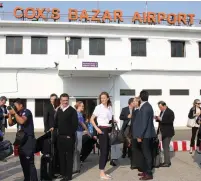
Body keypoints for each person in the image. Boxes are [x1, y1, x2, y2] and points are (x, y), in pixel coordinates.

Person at [8, 98, 38, 181]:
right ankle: (27, 178)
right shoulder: (17, 113)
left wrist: (14, 113)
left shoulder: (26, 111)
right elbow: (10, 124)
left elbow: (21, 121)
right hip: (21, 140)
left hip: (28, 140)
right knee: (23, 162)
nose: (14, 107)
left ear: (21, 105)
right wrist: (10, 114)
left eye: (15, 105)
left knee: (29, 163)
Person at [51, 93, 78, 181]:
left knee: (69, 157)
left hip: (69, 138)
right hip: (60, 138)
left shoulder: (72, 111)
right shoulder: (58, 110)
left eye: (66, 100)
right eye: (63, 100)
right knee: (61, 157)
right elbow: (55, 124)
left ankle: (68, 176)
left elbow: (75, 125)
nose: (65, 102)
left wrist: (69, 135)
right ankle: (63, 174)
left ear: (68, 100)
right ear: (60, 101)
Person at [133, 90, 156, 180]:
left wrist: (140, 136)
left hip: (145, 135)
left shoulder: (145, 107)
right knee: (145, 154)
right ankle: (145, 171)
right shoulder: (146, 106)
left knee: (147, 154)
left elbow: (144, 123)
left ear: (141, 97)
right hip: (146, 134)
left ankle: (149, 174)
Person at [90, 91, 113, 180]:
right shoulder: (98, 107)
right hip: (102, 130)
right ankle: (101, 173)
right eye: (101, 98)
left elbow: (109, 119)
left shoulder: (110, 107)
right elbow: (92, 119)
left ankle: (103, 171)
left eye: (104, 98)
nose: (102, 99)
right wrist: (97, 129)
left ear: (108, 98)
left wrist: (113, 121)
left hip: (109, 129)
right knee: (104, 151)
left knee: (107, 151)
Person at [154, 101, 175, 167]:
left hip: (168, 132)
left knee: (165, 147)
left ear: (164, 105)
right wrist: (157, 118)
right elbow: (161, 120)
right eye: (159, 107)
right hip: (163, 132)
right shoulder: (162, 111)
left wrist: (161, 119)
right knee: (164, 146)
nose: (160, 108)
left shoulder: (170, 112)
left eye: (160, 107)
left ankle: (167, 162)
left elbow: (170, 121)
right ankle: (167, 161)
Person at [130, 97, 142, 170]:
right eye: (133, 101)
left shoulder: (140, 111)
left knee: (139, 149)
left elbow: (139, 124)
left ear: (138, 102)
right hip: (133, 133)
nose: (133, 102)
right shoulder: (134, 110)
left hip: (138, 134)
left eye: (134, 101)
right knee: (134, 149)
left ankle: (140, 165)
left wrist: (139, 135)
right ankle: (135, 164)